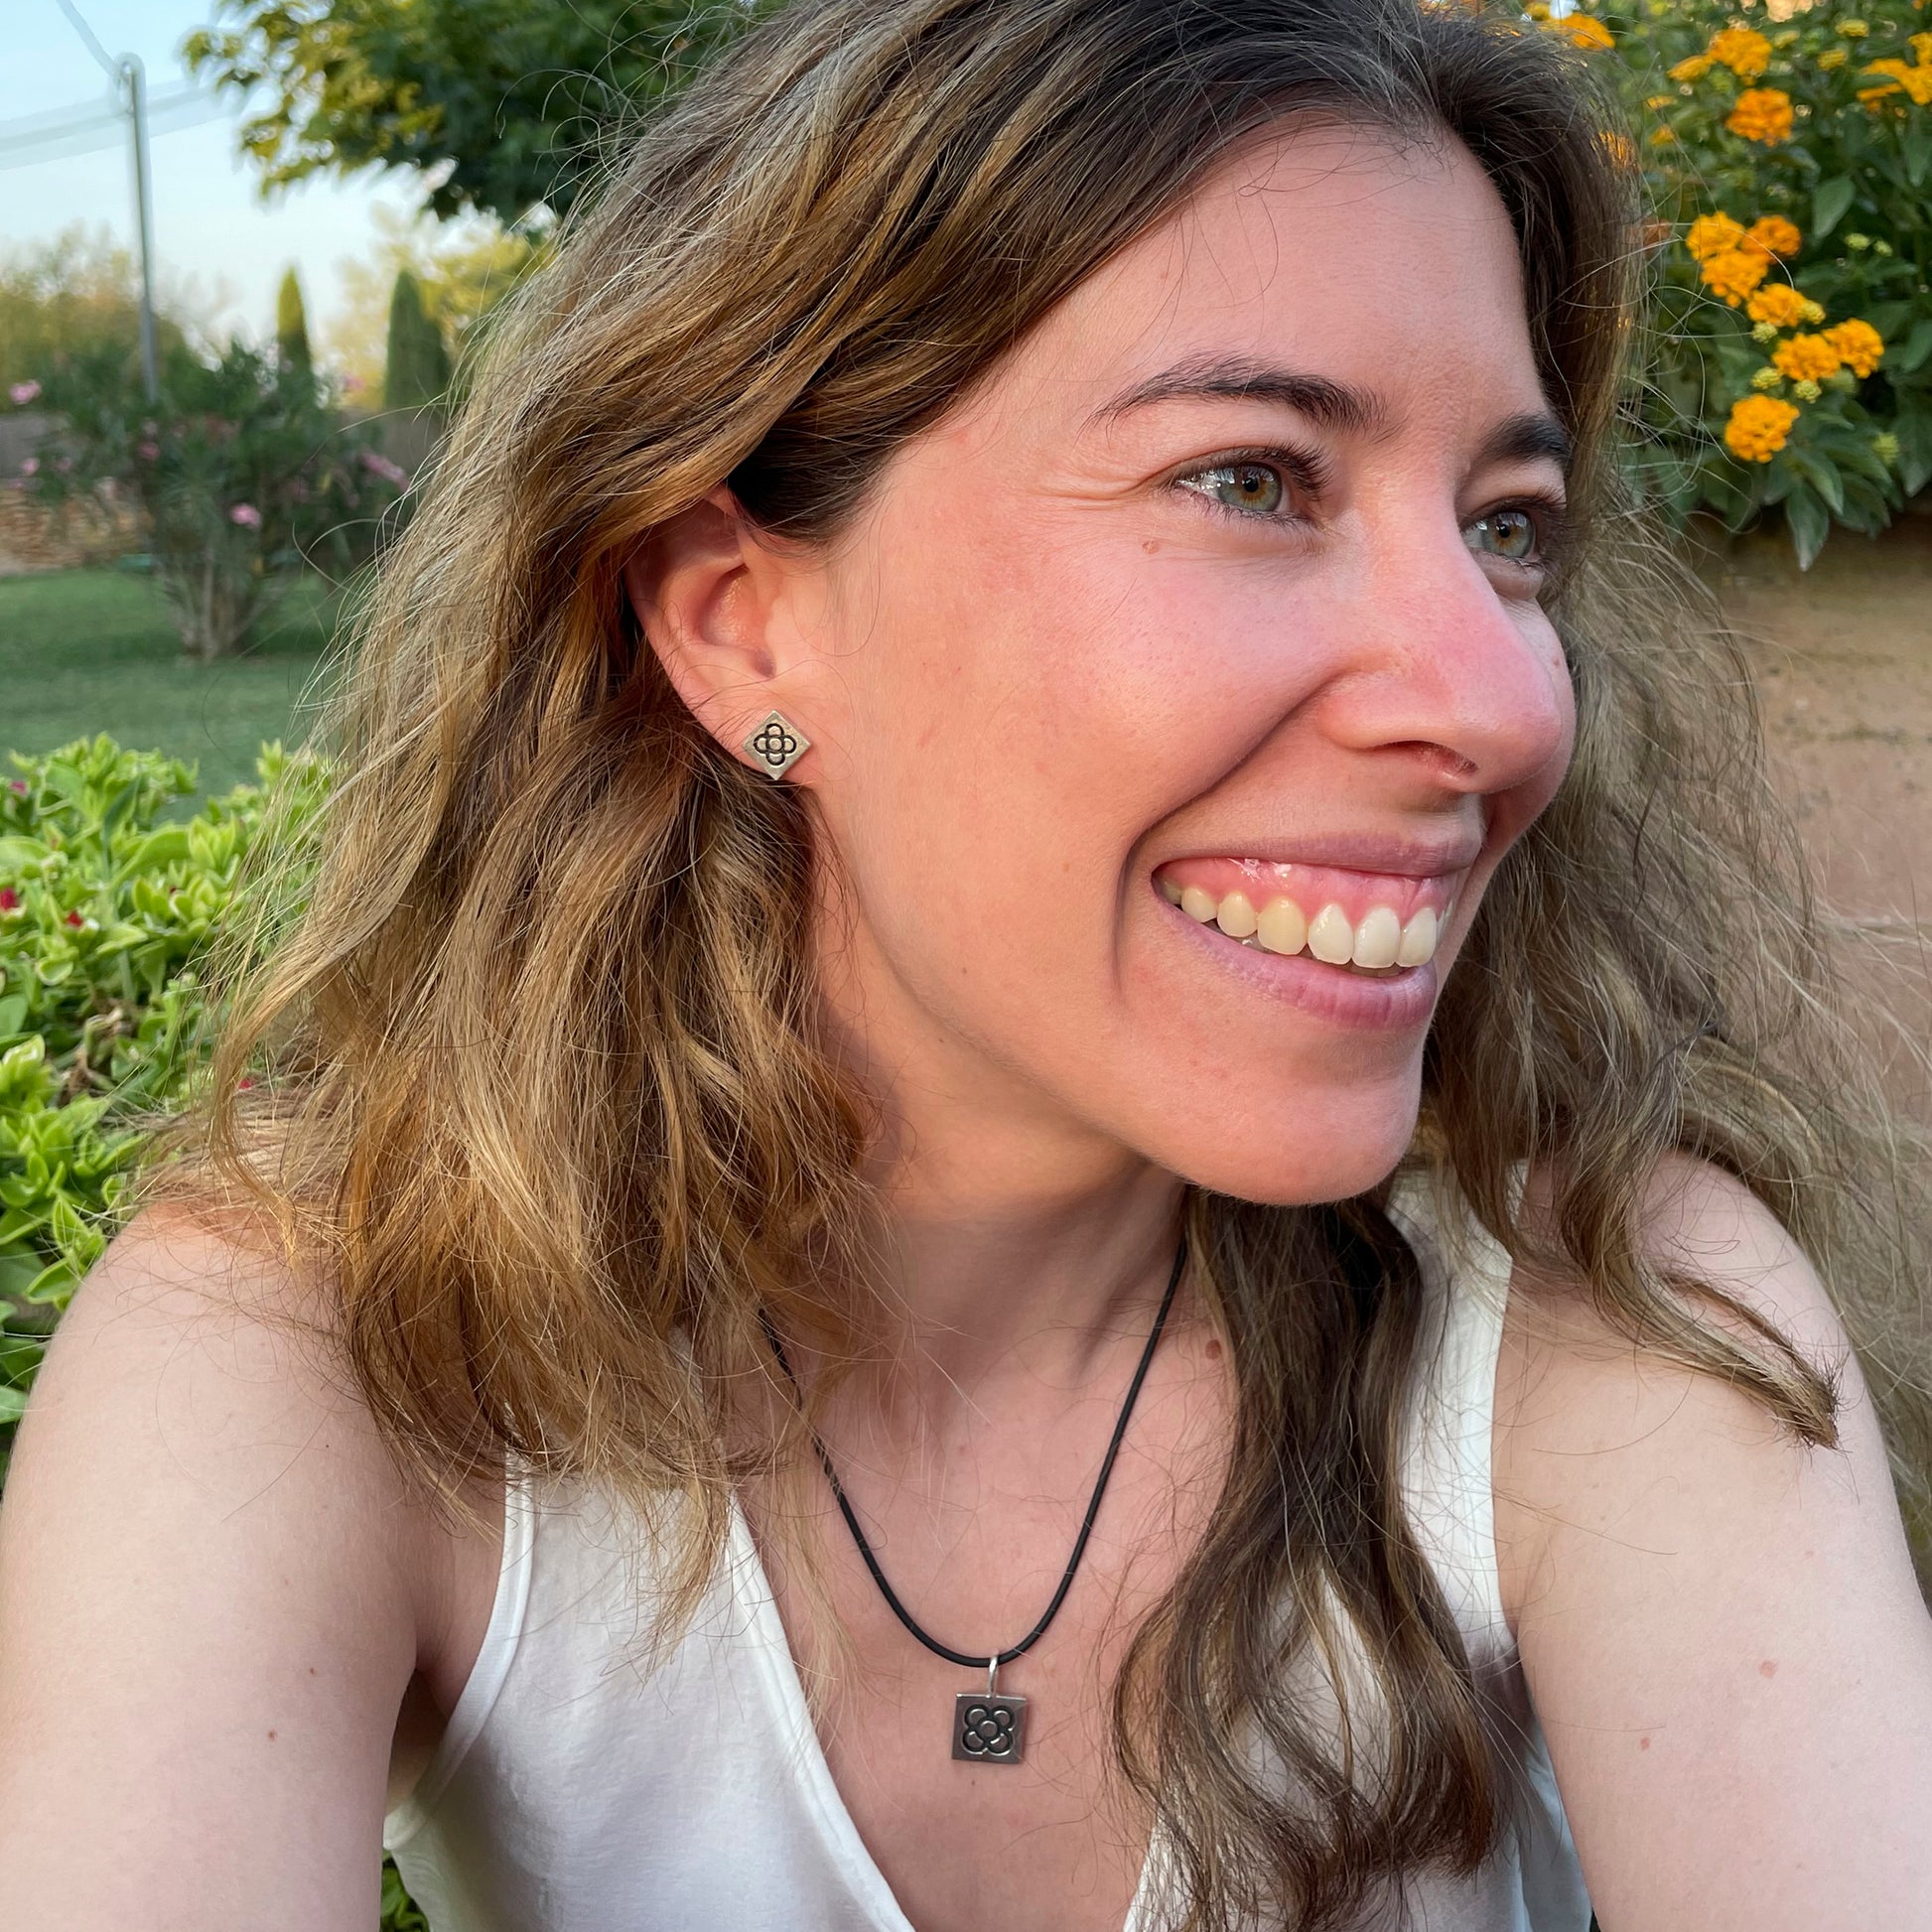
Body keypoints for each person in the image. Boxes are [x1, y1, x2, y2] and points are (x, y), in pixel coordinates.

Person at [3, 1, 1930, 1928]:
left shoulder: (1607, 1316)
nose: (1503, 701)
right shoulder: (322, 1364)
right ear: (742, 626)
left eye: (1507, 527)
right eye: (1250, 480)